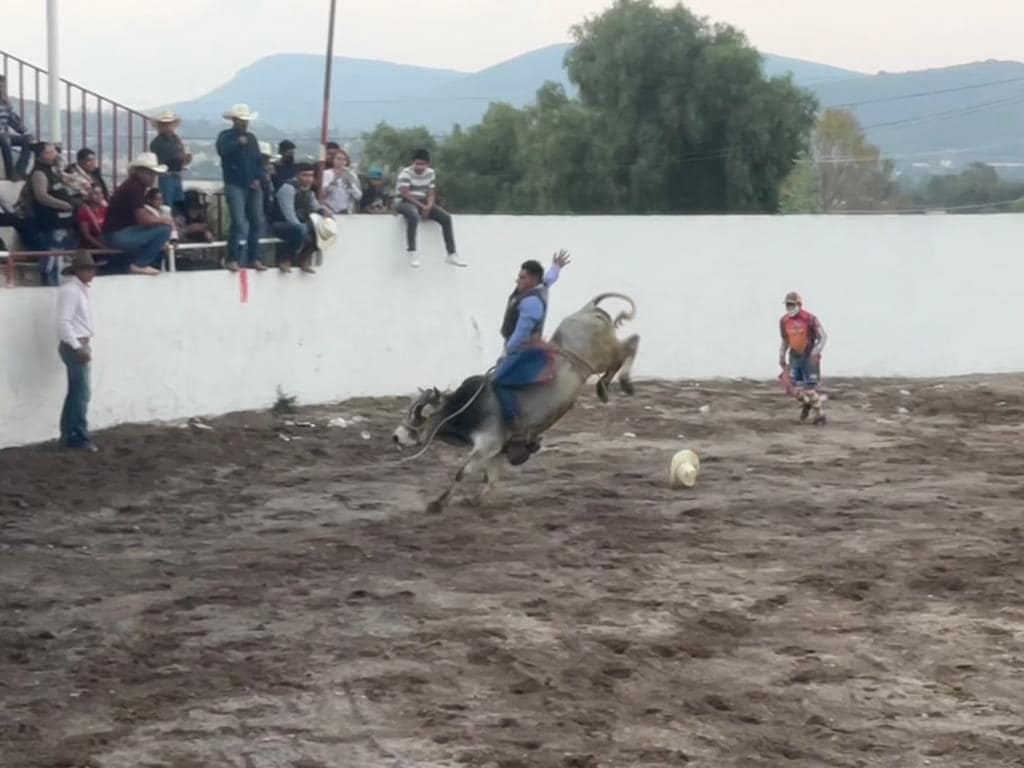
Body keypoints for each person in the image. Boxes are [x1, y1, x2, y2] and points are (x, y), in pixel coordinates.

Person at [492, 250, 572, 464]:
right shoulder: (539, 287)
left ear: (533, 279)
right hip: (524, 348)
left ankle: (517, 430)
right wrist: (556, 267)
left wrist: (507, 351)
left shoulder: (531, 303)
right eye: (519, 276)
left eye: (522, 277)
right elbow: (549, 279)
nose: (518, 280)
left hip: (524, 351)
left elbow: (520, 333)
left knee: (498, 382)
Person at [56, 251, 104, 452]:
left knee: (77, 392)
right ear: (80, 271)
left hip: (76, 343)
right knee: (81, 393)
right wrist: (77, 347)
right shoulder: (73, 291)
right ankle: (77, 436)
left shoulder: (75, 290)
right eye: (89, 269)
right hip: (76, 344)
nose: (92, 273)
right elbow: (63, 322)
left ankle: (70, 434)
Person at [102, 152, 172, 276]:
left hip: (115, 233)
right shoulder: (135, 188)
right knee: (164, 230)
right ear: (140, 172)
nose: (153, 177)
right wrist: (163, 220)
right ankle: (140, 264)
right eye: (150, 173)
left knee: (158, 228)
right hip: (117, 236)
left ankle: (137, 262)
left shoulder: (133, 185)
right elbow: (143, 220)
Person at [17, 142, 76, 285]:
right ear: (39, 156)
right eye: (49, 152)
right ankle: (48, 283)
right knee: (51, 255)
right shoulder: (39, 173)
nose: (54, 155)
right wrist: (63, 204)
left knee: (59, 256)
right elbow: (41, 196)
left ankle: (55, 281)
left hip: (61, 222)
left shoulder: (53, 171)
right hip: (49, 221)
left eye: (54, 151)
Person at [216, 104, 266, 272]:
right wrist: (237, 143)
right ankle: (232, 258)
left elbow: (258, 161)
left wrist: (258, 178)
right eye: (242, 120)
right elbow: (222, 151)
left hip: (251, 185)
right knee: (238, 222)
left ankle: (253, 258)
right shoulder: (225, 136)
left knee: (256, 222)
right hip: (235, 184)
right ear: (235, 120)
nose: (245, 123)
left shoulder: (251, 138)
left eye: (246, 120)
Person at [395, 148, 465, 268]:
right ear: (413, 163)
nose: (420, 167)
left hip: (422, 201)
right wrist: (422, 206)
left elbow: (431, 192)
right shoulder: (405, 173)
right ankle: (412, 251)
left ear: (427, 164)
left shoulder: (430, 173)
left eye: (422, 164)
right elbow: (405, 193)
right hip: (405, 201)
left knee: (446, 218)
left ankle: (451, 254)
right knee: (413, 216)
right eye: (417, 164)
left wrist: (429, 206)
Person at [779, 291, 828, 425]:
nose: (789, 308)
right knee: (792, 388)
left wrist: (816, 351)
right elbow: (785, 340)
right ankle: (806, 403)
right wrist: (782, 355)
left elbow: (823, 336)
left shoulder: (810, 319)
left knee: (810, 389)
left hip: (809, 357)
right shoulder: (784, 321)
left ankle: (820, 415)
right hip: (794, 356)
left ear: (799, 304)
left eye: (792, 305)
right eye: (787, 305)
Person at [272, 162, 330, 273]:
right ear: (297, 175)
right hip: (280, 223)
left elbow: (316, 206)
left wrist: (325, 214)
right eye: (305, 175)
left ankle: (303, 259)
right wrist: (303, 228)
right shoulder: (288, 188)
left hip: (299, 223)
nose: (309, 179)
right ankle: (285, 260)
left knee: (322, 231)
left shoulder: (308, 191)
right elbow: (289, 214)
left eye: (311, 176)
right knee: (298, 231)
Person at [149, 111, 190, 210]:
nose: (168, 127)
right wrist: (178, 158)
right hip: (166, 176)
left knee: (178, 204)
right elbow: (158, 161)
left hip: (177, 174)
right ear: (160, 127)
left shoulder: (176, 139)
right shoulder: (156, 143)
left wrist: (185, 159)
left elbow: (182, 155)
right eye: (165, 125)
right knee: (167, 204)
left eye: (169, 124)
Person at [0, 73, 34, 181]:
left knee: (27, 140)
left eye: (3, 86)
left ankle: (20, 171)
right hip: (2, 136)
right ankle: (10, 175)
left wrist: (24, 131)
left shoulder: (5, 103)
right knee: (5, 139)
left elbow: (14, 122)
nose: (1, 88)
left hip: (4, 135)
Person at [321, 148, 362, 214]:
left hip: (346, 211)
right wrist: (334, 180)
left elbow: (358, 196)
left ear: (346, 162)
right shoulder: (326, 173)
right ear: (333, 160)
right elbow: (322, 194)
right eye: (338, 159)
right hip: (328, 209)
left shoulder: (352, 175)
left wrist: (350, 185)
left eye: (344, 159)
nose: (341, 162)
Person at [75, 184, 108, 250]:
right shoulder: (83, 212)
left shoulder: (105, 209)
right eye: (95, 194)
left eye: (101, 193)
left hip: (105, 240)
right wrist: (102, 246)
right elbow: (86, 235)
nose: (99, 196)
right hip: (91, 247)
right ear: (88, 196)